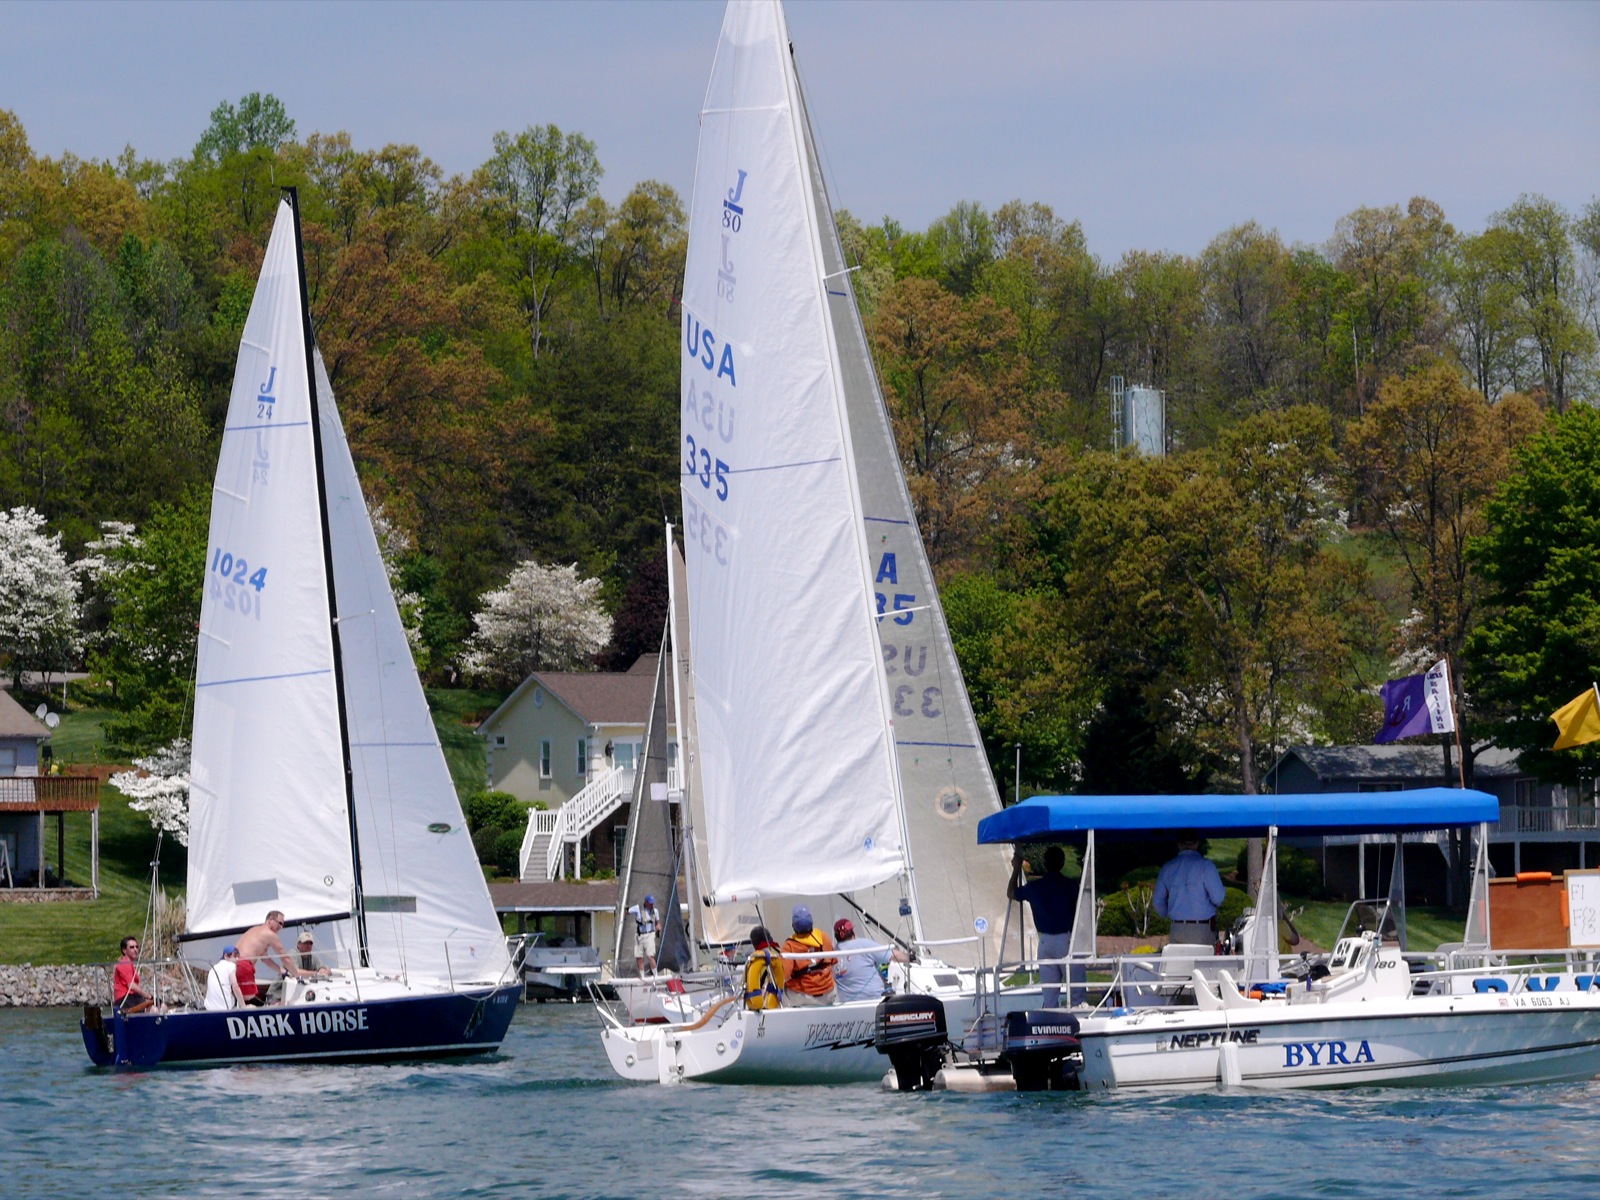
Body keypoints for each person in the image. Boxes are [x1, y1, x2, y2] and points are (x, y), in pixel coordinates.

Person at [1008, 846, 1077, 1007]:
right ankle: (1079, 1015)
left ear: (1045, 863)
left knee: (1049, 994)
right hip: (1067, 940)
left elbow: (1011, 893)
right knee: (1077, 990)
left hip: (1045, 942)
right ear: (1062, 863)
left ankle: (1050, 1018)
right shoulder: (1071, 886)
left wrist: (1016, 869)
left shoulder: (1035, 887)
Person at [1153, 831, 1227, 947]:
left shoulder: (1167, 868)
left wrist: (1171, 914)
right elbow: (1218, 898)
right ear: (1197, 843)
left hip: (1177, 928)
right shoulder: (1206, 866)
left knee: (1179, 964)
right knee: (1203, 964)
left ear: (1178, 844)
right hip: (1202, 929)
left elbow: (1158, 902)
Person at [235, 909, 309, 1004]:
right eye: (280, 923)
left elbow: (265, 959)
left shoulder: (255, 930)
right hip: (243, 966)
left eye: (283, 925)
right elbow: (285, 958)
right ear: (270, 920)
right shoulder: (270, 934)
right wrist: (298, 976)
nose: (281, 927)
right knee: (248, 998)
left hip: (231, 963)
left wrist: (282, 971)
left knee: (238, 998)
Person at [831, 918, 908, 1004]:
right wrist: (911, 958)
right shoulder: (863, 944)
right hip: (874, 1001)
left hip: (847, 1005)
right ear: (852, 932)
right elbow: (893, 955)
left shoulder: (832, 953)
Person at [781, 904, 837, 1006]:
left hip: (803, 996)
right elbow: (833, 961)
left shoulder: (789, 945)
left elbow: (784, 974)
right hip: (828, 993)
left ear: (793, 926)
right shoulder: (823, 937)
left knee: (781, 993)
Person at [742, 925, 787, 1011]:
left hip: (763, 1004)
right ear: (770, 938)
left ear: (754, 944)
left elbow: (747, 983)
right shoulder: (781, 952)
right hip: (782, 999)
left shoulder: (755, 959)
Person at [112, 935, 153, 1014]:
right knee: (154, 1009)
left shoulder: (130, 964)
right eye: (132, 947)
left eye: (136, 947)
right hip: (125, 1000)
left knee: (159, 1007)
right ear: (124, 950)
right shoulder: (124, 963)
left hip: (134, 998)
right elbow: (131, 985)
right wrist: (148, 996)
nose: (135, 950)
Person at [205, 946, 247, 1011]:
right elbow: (235, 986)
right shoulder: (231, 965)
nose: (237, 959)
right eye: (235, 956)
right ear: (226, 956)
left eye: (238, 956)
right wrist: (244, 1006)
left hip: (209, 1007)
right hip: (224, 1007)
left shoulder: (213, 968)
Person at [632, 895, 661, 976]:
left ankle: (655, 975)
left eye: (652, 903)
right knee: (639, 956)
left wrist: (658, 926)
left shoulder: (655, 911)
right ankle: (642, 976)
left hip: (650, 934)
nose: (652, 905)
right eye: (650, 903)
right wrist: (625, 911)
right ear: (646, 902)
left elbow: (658, 922)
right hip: (640, 935)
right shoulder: (638, 908)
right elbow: (627, 910)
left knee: (650, 955)